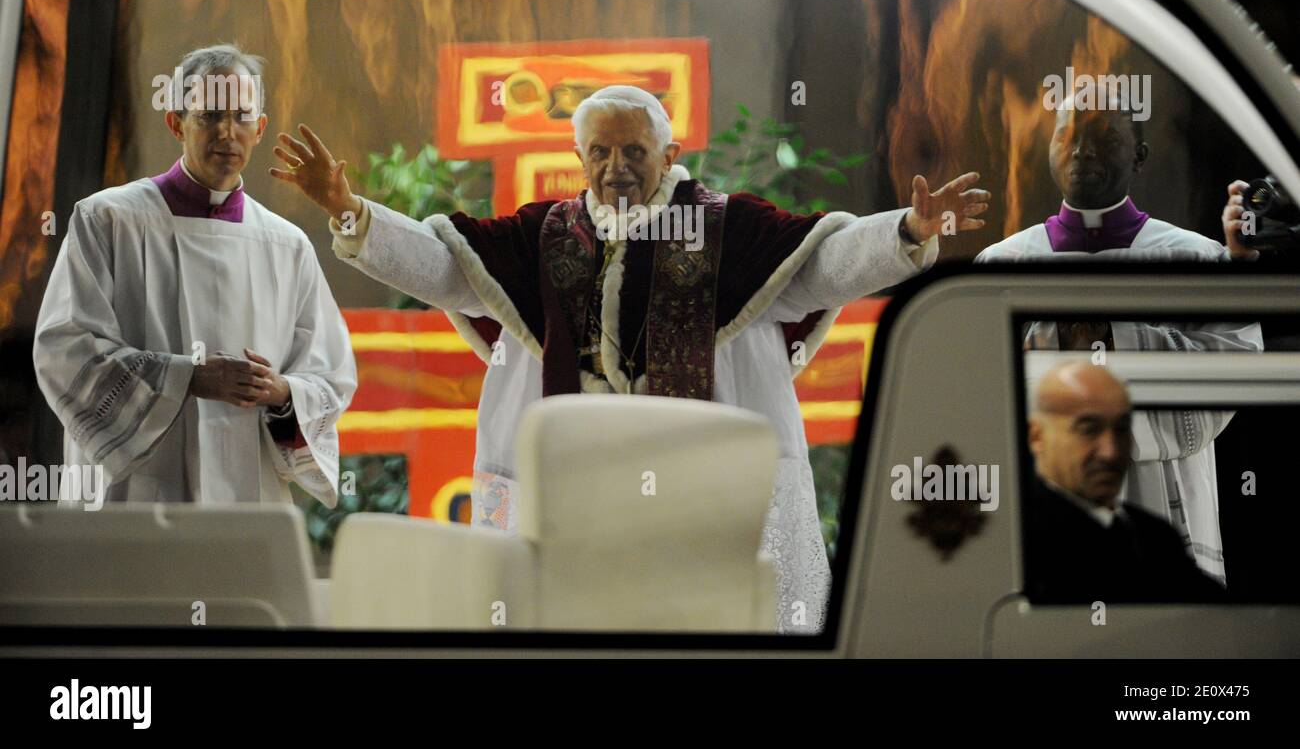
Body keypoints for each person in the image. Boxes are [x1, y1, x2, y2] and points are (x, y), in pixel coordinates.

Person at [272, 84, 991, 633]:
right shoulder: (545, 234)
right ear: (578, 158)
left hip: (700, 491)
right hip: (576, 493)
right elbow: (445, 268)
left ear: (670, 155)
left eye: (635, 152)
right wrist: (350, 211)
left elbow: (825, 264)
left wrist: (906, 230)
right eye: (601, 152)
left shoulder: (729, 228)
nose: (616, 168)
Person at [33, 44, 355, 507]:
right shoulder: (109, 220)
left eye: (242, 117)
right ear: (176, 122)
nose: (227, 132)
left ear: (260, 129)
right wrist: (188, 378)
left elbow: (331, 375)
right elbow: (65, 350)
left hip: (248, 495)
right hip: (138, 491)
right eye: (209, 116)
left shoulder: (287, 247)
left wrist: (284, 393)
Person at [977, 88, 1262, 583]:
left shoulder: (1195, 259)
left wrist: (1103, 335)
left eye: (1105, 138)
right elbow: (974, 397)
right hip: (1040, 515)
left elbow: (1235, 370)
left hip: (1163, 511)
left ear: (1141, 155)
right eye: (1067, 134)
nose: (1082, 150)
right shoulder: (1002, 264)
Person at [1026, 361, 1223, 604]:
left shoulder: (1154, 535)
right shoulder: (1017, 535)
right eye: (1089, 429)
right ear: (1036, 436)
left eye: (1121, 429)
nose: (1111, 451)